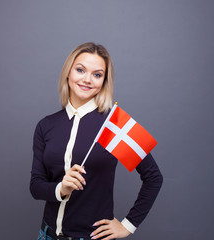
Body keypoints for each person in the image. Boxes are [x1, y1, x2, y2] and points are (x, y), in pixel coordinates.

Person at [30, 42, 163, 240]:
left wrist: (128, 225)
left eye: (97, 74)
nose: (87, 79)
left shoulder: (113, 125)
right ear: (68, 72)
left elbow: (153, 177)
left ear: (104, 81)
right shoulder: (46, 126)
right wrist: (61, 188)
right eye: (80, 70)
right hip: (47, 235)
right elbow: (36, 186)